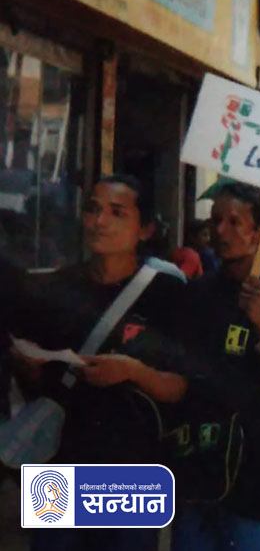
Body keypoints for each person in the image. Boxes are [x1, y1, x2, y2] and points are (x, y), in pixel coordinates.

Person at [9, 175, 189, 551]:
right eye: (93, 209)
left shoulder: (168, 294)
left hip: (133, 467)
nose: (100, 221)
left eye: (117, 212)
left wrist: (133, 371)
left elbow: (180, 387)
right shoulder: (55, 288)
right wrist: (28, 365)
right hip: (59, 461)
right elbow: (36, 379)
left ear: (145, 228)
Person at [174, 183, 260, 551]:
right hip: (196, 463)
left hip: (254, 467)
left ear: (259, 233)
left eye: (235, 222)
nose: (221, 231)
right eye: (216, 220)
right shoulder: (196, 294)